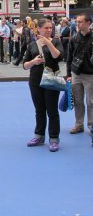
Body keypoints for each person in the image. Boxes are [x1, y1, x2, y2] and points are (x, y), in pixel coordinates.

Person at [23, 18, 63, 152]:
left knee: (52, 110)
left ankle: (54, 138)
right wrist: (34, 61)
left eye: (50, 28)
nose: (49, 30)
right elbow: (25, 65)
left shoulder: (56, 41)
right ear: (38, 29)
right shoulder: (32, 45)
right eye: (46, 28)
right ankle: (39, 136)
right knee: (39, 110)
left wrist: (48, 43)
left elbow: (58, 56)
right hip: (35, 81)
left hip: (51, 81)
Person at [66, 14, 93, 134]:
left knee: (91, 101)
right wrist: (68, 75)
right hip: (76, 73)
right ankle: (79, 124)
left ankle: (91, 124)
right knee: (78, 101)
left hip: (90, 75)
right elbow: (69, 57)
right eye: (77, 22)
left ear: (88, 23)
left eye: (80, 21)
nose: (78, 24)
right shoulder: (74, 38)